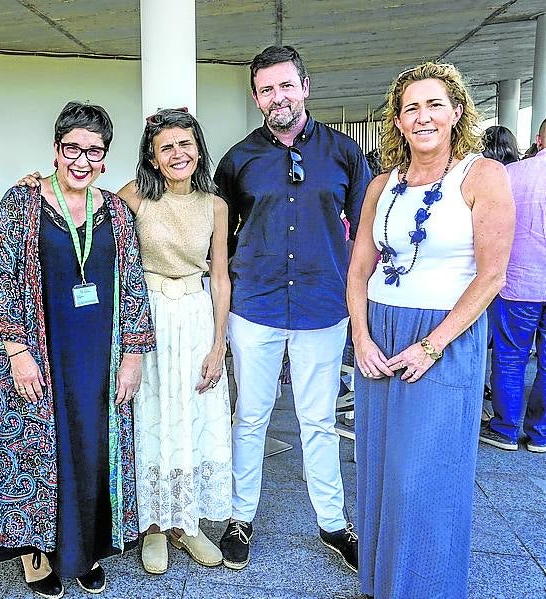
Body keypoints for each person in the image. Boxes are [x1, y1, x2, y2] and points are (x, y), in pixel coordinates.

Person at [347, 62, 514, 598]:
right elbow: (357, 271)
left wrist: (432, 344)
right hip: (381, 332)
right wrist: (362, 337)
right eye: (410, 107)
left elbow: (492, 275)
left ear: (456, 112)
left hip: (443, 336)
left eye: (433, 104)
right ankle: (381, 586)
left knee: (424, 478)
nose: (422, 116)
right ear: (396, 121)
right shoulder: (381, 185)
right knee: (379, 472)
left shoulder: (482, 174)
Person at [0, 101, 155, 598]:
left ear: (105, 157)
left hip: (98, 354)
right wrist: (16, 351)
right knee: (39, 449)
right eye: (72, 148)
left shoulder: (116, 211)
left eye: (93, 151)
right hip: (39, 350)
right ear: (56, 150)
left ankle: (84, 549)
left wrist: (133, 355)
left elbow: (134, 285)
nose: (81, 160)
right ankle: (37, 553)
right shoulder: (22, 202)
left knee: (91, 445)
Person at [213, 45, 369, 573]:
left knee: (317, 421)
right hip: (253, 304)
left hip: (322, 305)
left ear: (306, 86)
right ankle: (239, 519)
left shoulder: (346, 154)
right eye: (266, 89)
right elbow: (215, 233)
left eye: (286, 85)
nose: (277, 97)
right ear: (256, 97)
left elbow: (368, 236)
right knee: (250, 417)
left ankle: (333, 525)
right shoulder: (237, 160)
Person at [116, 109, 232, 574]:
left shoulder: (215, 205)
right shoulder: (134, 197)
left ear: (199, 148)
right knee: (153, 415)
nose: (177, 153)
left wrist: (218, 345)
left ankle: (187, 524)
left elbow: (220, 276)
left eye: (185, 144)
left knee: (194, 414)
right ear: (152, 155)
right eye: (167, 147)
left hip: (196, 315)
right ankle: (154, 528)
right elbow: (79, 209)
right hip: (148, 316)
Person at [481, 117, 546, 452]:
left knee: (510, 357)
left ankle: (505, 429)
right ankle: (541, 433)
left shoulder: (512, 174)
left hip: (518, 282)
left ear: (539, 138)